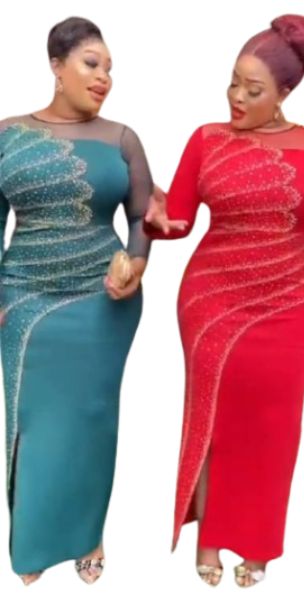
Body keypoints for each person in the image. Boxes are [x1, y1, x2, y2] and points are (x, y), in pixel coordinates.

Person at [144, 14, 304, 587]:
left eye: (253, 89)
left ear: (285, 93)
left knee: (274, 430)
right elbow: (179, 221)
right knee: (212, 418)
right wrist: (153, 217)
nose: (236, 98)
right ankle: (210, 539)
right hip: (212, 301)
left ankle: (257, 545)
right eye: (232, 82)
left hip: (291, 307)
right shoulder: (206, 138)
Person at [0, 16, 153, 584]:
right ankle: (33, 542)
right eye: (91, 64)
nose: (103, 77)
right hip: (24, 297)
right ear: (56, 66)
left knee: (91, 421)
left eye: (109, 68)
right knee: (32, 421)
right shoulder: (7, 133)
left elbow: (142, 217)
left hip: (103, 299)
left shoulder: (122, 138)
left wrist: (137, 263)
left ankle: (89, 534)